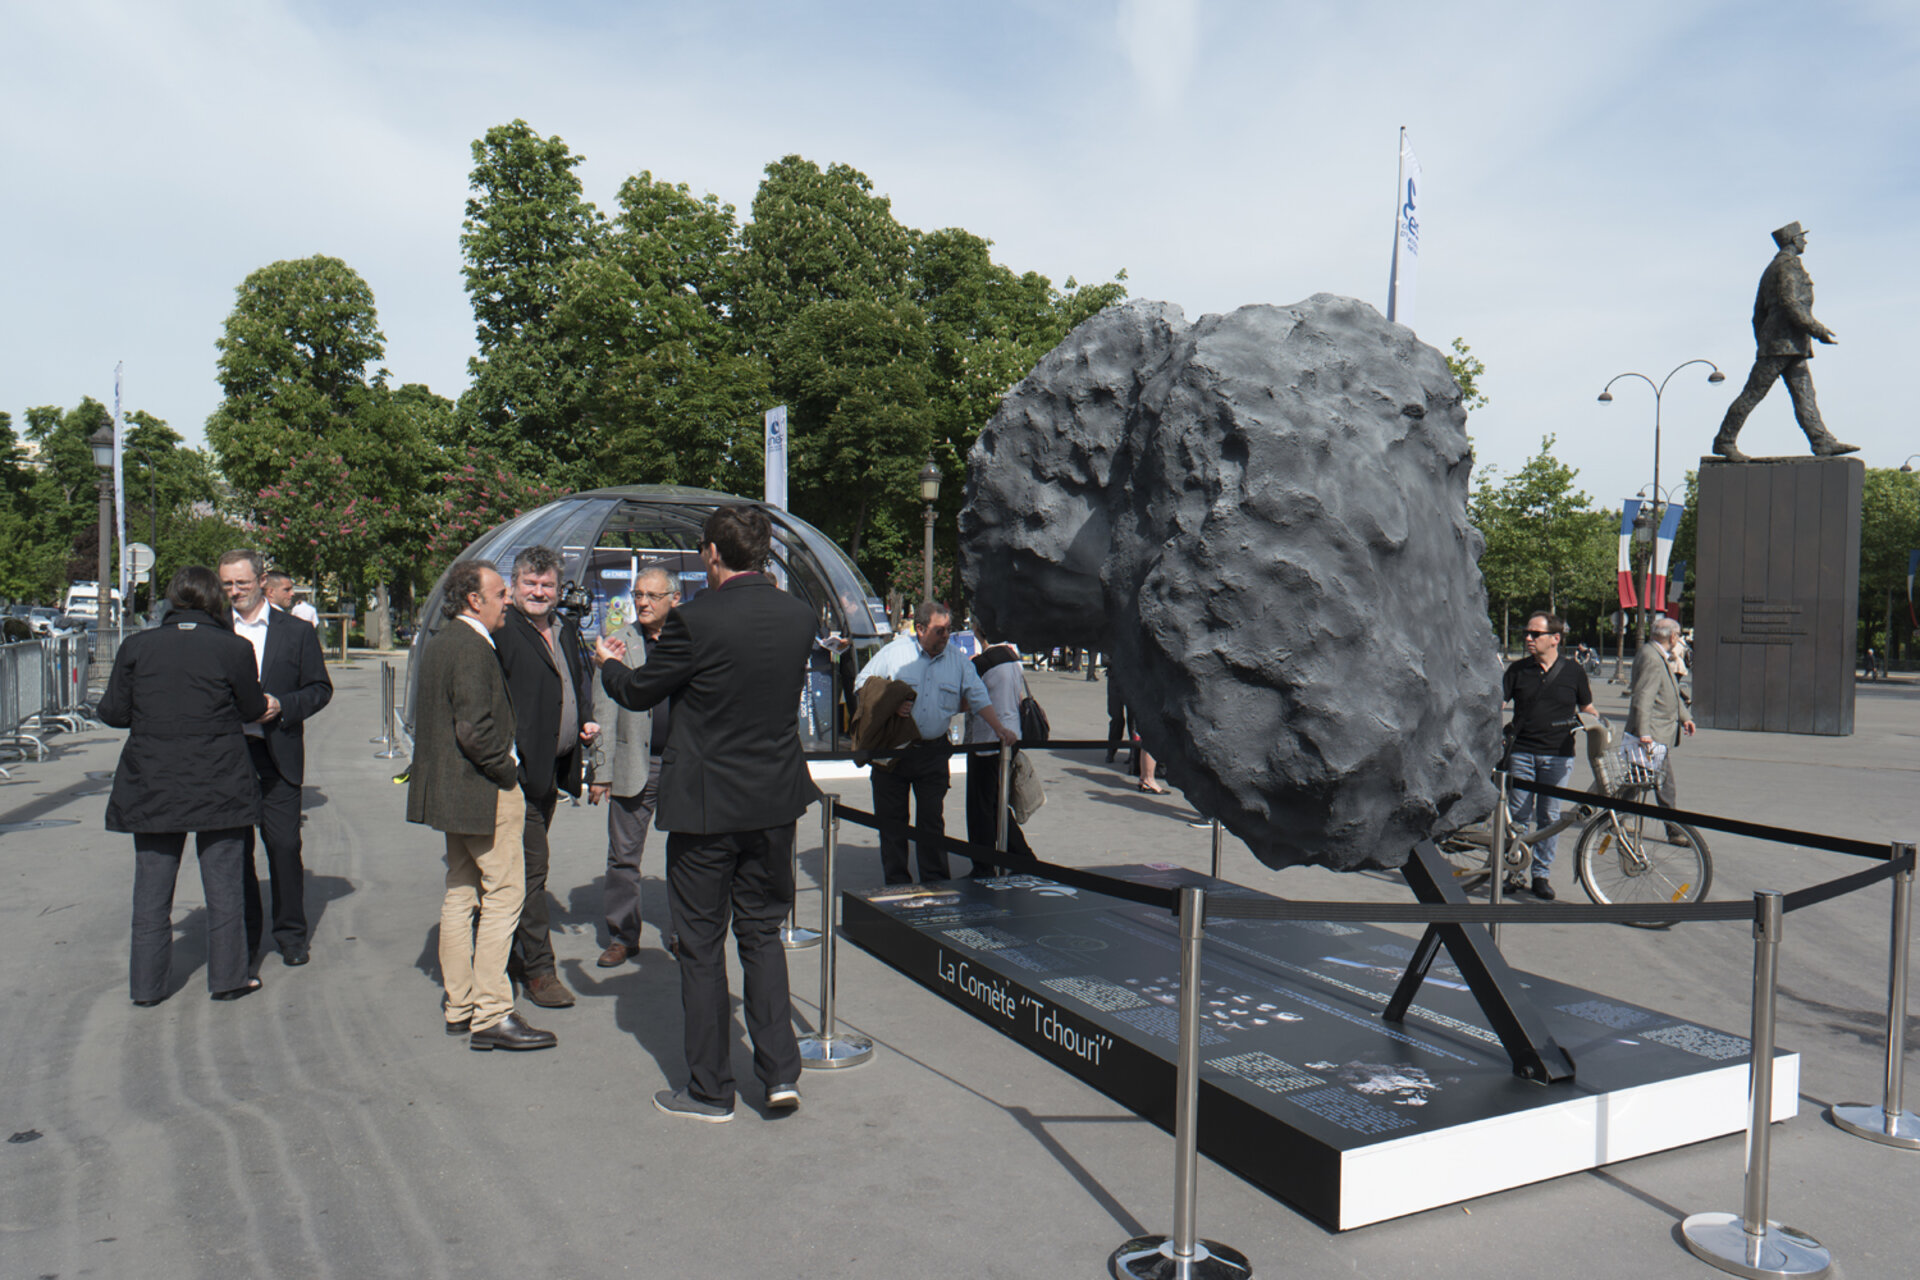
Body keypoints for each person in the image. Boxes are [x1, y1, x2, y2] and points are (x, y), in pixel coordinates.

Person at [593, 505, 819, 1121]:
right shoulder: (800, 616)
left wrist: (609, 664)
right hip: (773, 803)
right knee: (762, 936)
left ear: (713, 556)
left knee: (700, 945)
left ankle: (710, 1090)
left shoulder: (696, 621)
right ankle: (779, 1074)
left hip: (706, 808)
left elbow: (640, 692)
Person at [101, 565, 271, 1004]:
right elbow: (251, 707)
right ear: (216, 599)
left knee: (152, 891)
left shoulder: (138, 646)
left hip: (153, 781)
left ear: (173, 600)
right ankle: (229, 978)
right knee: (224, 886)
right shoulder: (233, 648)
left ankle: (147, 986)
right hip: (218, 778)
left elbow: (114, 713)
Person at [406, 560, 555, 1051]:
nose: (507, 600)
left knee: (460, 892)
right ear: (474, 599)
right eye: (499, 593)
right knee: (505, 895)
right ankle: (492, 1011)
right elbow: (474, 730)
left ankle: (461, 1004)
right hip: (483, 792)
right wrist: (509, 773)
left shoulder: (443, 641)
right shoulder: (471, 646)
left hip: (454, 795)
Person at [217, 549, 334, 968]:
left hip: (278, 754)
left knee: (284, 845)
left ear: (261, 581)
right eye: (227, 584)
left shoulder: (295, 632)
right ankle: (246, 938)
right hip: (229, 756)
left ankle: (290, 934)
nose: (234, 592)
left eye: (241, 583)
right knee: (235, 852)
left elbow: (320, 688)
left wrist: (282, 705)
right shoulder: (216, 630)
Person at [494, 546, 597, 1009]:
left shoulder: (564, 628)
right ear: (513, 586)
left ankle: (506, 950)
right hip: (516, 776)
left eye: (548, 585)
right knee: (532, 871)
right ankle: (538, 970)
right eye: (530, 584)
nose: (539, 592)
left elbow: (575, 684)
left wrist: (586, 720)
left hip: (551, 773)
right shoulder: (503, 630)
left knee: (524, 870)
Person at [857, 601, 1018, 885]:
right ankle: (897, 885)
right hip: (892, 751)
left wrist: (1000, 729)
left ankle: (934, 884)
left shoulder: (957, 660)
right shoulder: (894, 653)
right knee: (892, 824)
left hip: (933, 752)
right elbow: (862, 683)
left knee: (931, 823)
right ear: (919, 629)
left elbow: (979, 696)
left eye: (948, 630)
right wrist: (891, 701)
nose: (946, 636)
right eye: (939, 631)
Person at [587, 566, 678, 966]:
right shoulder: (617, 643)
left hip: (682, 766)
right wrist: (600, 772)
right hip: (632, 764)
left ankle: (683, 933)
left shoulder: (688, 641)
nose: (641, 602)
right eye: (637, 593)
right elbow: (603, 710)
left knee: (687, 857)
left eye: (652, 596)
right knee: (623, 857)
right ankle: (623, 935)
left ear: (674, 599)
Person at [1713, 222, 1858, 461]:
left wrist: (1764, 339)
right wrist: (1817, 329)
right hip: (1782, 344)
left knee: (1805, 395)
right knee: (1753, 394)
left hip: (1786, 345)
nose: (1805, 241)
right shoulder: (1788, 265)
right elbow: (1791, 304)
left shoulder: (1772, 268)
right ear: (1793, 240)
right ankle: (1724, 441)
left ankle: (1822, 442)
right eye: (1802, 237)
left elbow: (1758, 314)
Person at [1499, 611, 1596, 900]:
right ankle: (1515, 870)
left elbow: (1587, 707)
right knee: (1518, 815)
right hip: (1522, 753)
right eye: (1526, 633)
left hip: (1558, 755)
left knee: (1549, 817)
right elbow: (1498, 704)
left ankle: (1541, 875)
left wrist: (1597, 725)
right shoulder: (1517, 671)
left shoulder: (1573, 672)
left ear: (1555, 638)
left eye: (1535, 634)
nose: (1528, 638)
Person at [965, 637, 1035, 874]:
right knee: (996, 802)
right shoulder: (1011, 655)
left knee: (983, 807)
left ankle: (999, 861)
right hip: (1012, 731)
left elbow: (968, 699)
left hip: (989, 738)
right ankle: (1017, 858)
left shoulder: (983, 663)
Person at [1626, 616, 1696, 841]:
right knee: (1664, 785)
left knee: (1637, 780)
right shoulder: (1652, 658)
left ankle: (1617, 818)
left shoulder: (1655, 654)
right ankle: (1673, 829)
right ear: (1673, 637)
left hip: (1654, 733)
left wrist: (1684, 716)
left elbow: (1671, 691)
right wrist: (1644, 732)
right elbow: (1644, 697)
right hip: (1654, 735)